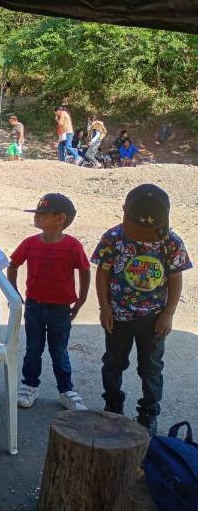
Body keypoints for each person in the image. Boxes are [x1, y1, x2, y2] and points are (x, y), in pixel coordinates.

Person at [92, 184, 191, 435]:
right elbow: (103, 273)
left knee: (151, 369)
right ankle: (113, 405)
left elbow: (176, 279)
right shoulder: (113, 238)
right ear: (124, 211)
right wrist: (105, 308)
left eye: (150, 233)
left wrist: (168, 314)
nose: (145, 238)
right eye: (138, 232)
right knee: (113, 363)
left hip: (154, 319)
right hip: (118, 316)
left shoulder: (171, 242)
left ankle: (149, 413)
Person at [8, 193, 90, 411]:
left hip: (61, 309)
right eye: (37, 213)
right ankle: (29, 386)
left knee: (59, 350)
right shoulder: (30, 243)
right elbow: (13, 264)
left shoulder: (72, 246)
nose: (36, 217)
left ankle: (66, 390)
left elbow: (84, 270)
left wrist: (81, 299)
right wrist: (13, 292)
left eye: (43, 214)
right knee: (33, 348)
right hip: (34, 306)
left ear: (60, 218)